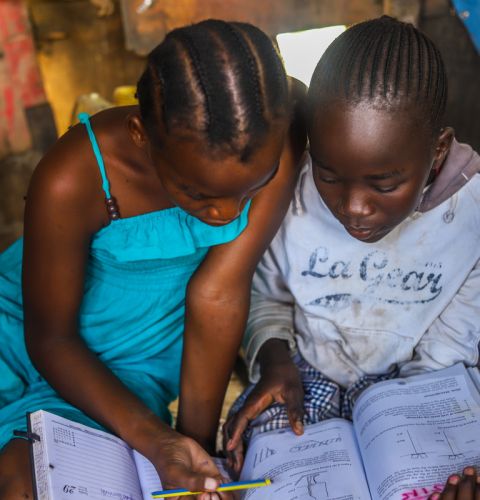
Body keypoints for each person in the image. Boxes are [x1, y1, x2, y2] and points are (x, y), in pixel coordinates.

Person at [0, 19, 305, 499]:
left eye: (249, 190)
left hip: (128, 371)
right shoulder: (72, 177)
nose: (227, 214)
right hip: (29, 335)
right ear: (140, 133)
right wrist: (159, 442)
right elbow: (51, 337)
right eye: (198, 194)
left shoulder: (274, 133)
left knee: (26, 480)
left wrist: (194, 453)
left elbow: (217, 292)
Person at [223, 15, 480, 495]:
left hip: (417, 390)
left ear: (438, 149)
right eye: (330, 176)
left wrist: (392, 421)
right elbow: (266, 294)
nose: (353, 207)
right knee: (261, 469)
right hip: (304, 372)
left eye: (384, 184)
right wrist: (274, 358)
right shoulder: (294, 188)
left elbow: (449, 353)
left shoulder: (472, 217)